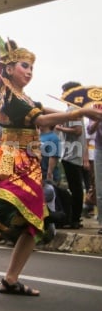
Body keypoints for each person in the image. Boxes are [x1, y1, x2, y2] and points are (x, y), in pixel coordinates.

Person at [0, 36, 102, 302]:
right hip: (12, 161)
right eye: (23, 66)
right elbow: (42, 119)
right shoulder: (9, 97)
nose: (29, 72)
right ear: (8, 69)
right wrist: (78, 114)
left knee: (34, 223)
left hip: (30, 163)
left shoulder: (23, 97)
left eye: (31, 68)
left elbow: (41, 108)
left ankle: (11, 279)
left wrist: (85, 111)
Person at [55, 81, 88, 229]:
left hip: (72, 154)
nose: (62, 95)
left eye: (64, 92)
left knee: (75, 188)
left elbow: (78, 131)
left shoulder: (74, 109)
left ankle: (75, 219)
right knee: (75, 188)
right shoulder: (73, 110)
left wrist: (60, 128)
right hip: (71, 153)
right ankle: (74, 218)